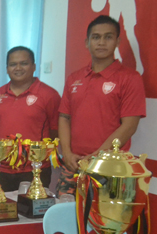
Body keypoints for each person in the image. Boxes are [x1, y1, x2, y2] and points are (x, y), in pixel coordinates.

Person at [57, 15, 146, 195]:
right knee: (64, 219)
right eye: (96, 37)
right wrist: (67, 153)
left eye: (108, 37)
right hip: (73, 165)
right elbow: (64, 117)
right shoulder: (75, 78)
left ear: (117, 41)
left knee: (103, 222)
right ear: (87, 42)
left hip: (110, 167)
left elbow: (129, 126)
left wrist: (98, 156)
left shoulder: (130, 78)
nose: (101, 42)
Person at [0, 46, 61, 191]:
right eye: (13, 64)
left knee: (32, 213)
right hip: (2, 169)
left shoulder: (49, 95)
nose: (18, 68)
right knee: (3, 212)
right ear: (6, 68)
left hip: (35, 169)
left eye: (24, 63)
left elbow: (55, 131)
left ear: (34, 66)